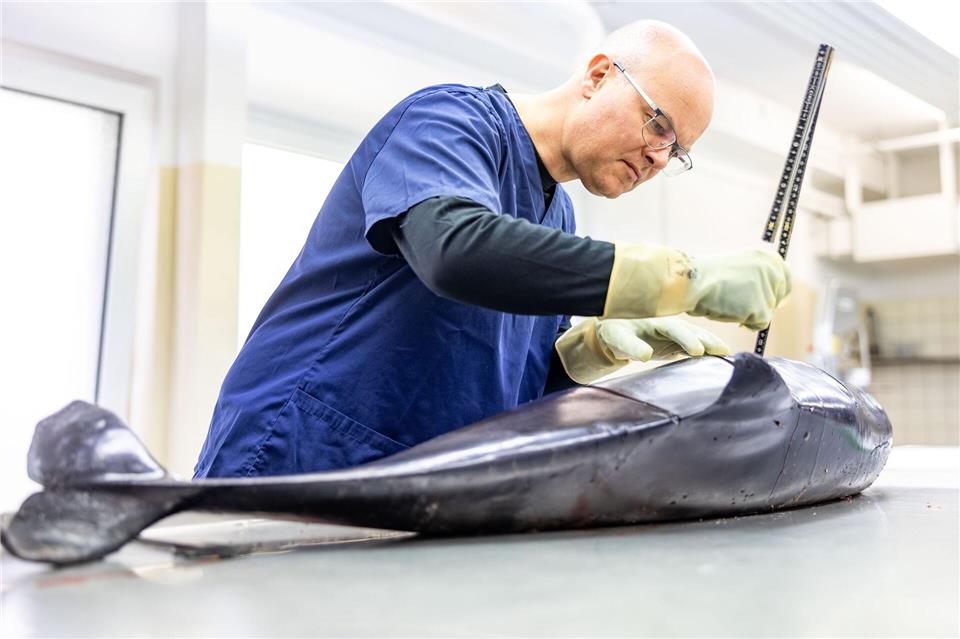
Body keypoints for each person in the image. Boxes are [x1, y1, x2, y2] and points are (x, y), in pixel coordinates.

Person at [194, 20, 791, 478]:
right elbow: (454, 250)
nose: (660, 157)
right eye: (658, 124)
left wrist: (590, 353)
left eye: (678, 150)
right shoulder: (449, 122)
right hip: (299, 452)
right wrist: (684, 279)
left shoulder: (558, 214)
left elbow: (511, 382)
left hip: (408, 478)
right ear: (599, 75)